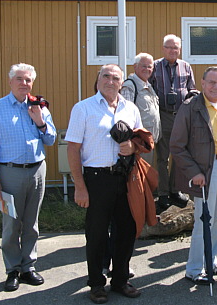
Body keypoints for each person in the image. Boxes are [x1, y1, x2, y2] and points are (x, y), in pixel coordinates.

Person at [66, 64, 143, 303]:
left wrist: (132, 146)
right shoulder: (83, 108)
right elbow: (73, 148)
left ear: (122, 83)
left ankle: (120, 280)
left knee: (126, 232)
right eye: (105, 76)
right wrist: (79, 186)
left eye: (115, 77)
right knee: (97, 234)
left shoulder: (130, 108)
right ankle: (96, 284)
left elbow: (141, 140)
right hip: (96, 180)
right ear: (98, 80)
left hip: (125, 179)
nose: (110, 81)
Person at [0, 63, 56, 292]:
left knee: (31, 223)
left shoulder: (39, 106)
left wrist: (40, 121)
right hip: (9, 172)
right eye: (20, 79)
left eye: (28, 80)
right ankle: (12, 269)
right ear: (10, 82)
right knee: (11, 225)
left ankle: (28, 267)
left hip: (36, 171)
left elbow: (51, 139)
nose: (24, 83)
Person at [169, 66, 217, 284]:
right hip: (205, 172)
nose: (216, 86)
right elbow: (177, 146)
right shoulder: (190, 108)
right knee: (202, 220)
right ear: (203, 83)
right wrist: (194, 172)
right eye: (212, 82)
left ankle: (211, 261)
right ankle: (194, 269)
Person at [149, 34, 196, 209]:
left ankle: (175, 190)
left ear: (180, 49)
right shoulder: (154, 66)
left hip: (181, 115)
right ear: (163, 48)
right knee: (162, 157)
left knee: (179, 154)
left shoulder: (186, 66)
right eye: (169, 47)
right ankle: (163, 194)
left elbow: (192, 89)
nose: (172, 50)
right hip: (163, 114)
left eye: (175, 47)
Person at [120, 53, 160, 168]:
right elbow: (125, 116)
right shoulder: (130, 86)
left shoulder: (148, 85)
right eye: (143, 66)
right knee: (138, 177)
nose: (147, 69)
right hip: (138, 143)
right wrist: (131, 142)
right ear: (135, 66)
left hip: (148, 142)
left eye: (149, 66)